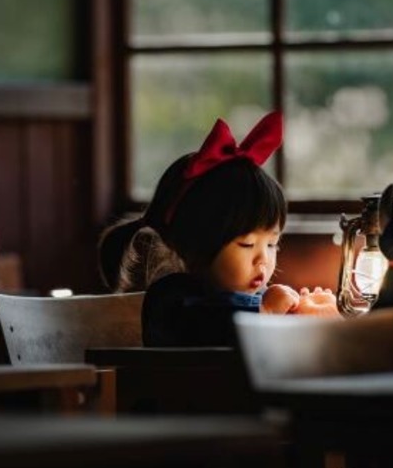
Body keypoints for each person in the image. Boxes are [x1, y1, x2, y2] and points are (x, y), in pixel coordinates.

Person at [98, 110, 338, 346]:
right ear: (196, 241)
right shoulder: (171, 298)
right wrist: (266, 311)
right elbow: (211, 322)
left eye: (272, 244)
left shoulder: (255, 296)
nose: (263, 259)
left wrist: (308, 315)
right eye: (247, 244)